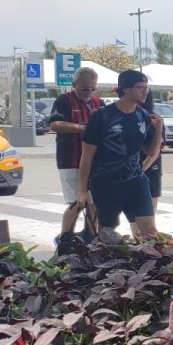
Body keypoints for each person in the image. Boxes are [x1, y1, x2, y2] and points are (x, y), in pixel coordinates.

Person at [77, 70, 163, 239]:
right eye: (140, 88)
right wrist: (82, 189)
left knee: (149, 232)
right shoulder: (101, 116)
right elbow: (86, 156)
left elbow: (151, 151)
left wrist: (159, 128)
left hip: (136, 181)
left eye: (147, 87)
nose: (145, 92)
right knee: (105, 234)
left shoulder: (143, 115)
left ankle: (146, 263)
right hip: (106, 184)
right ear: (125, 90)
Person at [48, 66, 102, 240]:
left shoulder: (98, 103)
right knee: (77, 202)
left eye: (92, 89)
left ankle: (91, 237)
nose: (89, 92)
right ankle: (65, 237)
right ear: (74, 85)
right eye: (85, 89)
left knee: (94, 202)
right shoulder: (64, 100)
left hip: (95, 161)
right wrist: (82, 128)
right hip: (70, 160)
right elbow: (54, 125)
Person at [130, 89, 164, 238]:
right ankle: (139, 248)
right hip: (130, 173)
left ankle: (152, 251)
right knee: (133, 218)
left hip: (149, 171)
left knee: (148, 221)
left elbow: (156, 149)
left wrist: (142, 168)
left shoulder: (153, 119)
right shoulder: (128, 118)